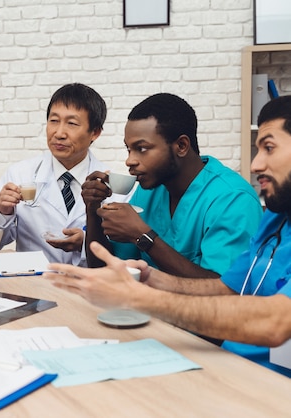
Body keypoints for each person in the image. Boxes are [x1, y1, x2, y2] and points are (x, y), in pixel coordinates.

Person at [45, 95, 291, 377]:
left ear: (182, 146)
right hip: (209, 353)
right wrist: (151, 278)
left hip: (237, 363)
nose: (255, 165)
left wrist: (138, 288)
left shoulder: (233, 198)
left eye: (269, 148)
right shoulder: (276, 216)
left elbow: (273, 322)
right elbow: (228, 287)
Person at [82, 93, 262, 277]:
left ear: (182, 146)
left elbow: (224, 291)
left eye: (141, 149)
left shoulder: (233, 199)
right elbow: (107, 270)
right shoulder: (149, 190)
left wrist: (143, 237)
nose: (130, 161)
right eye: (129, 149)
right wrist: (92, 210)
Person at [0, 83, 129, 266]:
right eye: (54, 121)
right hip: (34, 284)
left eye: (72, 123)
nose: (59, 133)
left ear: (94, 133)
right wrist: (2, 211)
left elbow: (123, 252)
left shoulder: (114, 185)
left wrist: (86, 242)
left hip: (91, 286)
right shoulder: (20, 174)